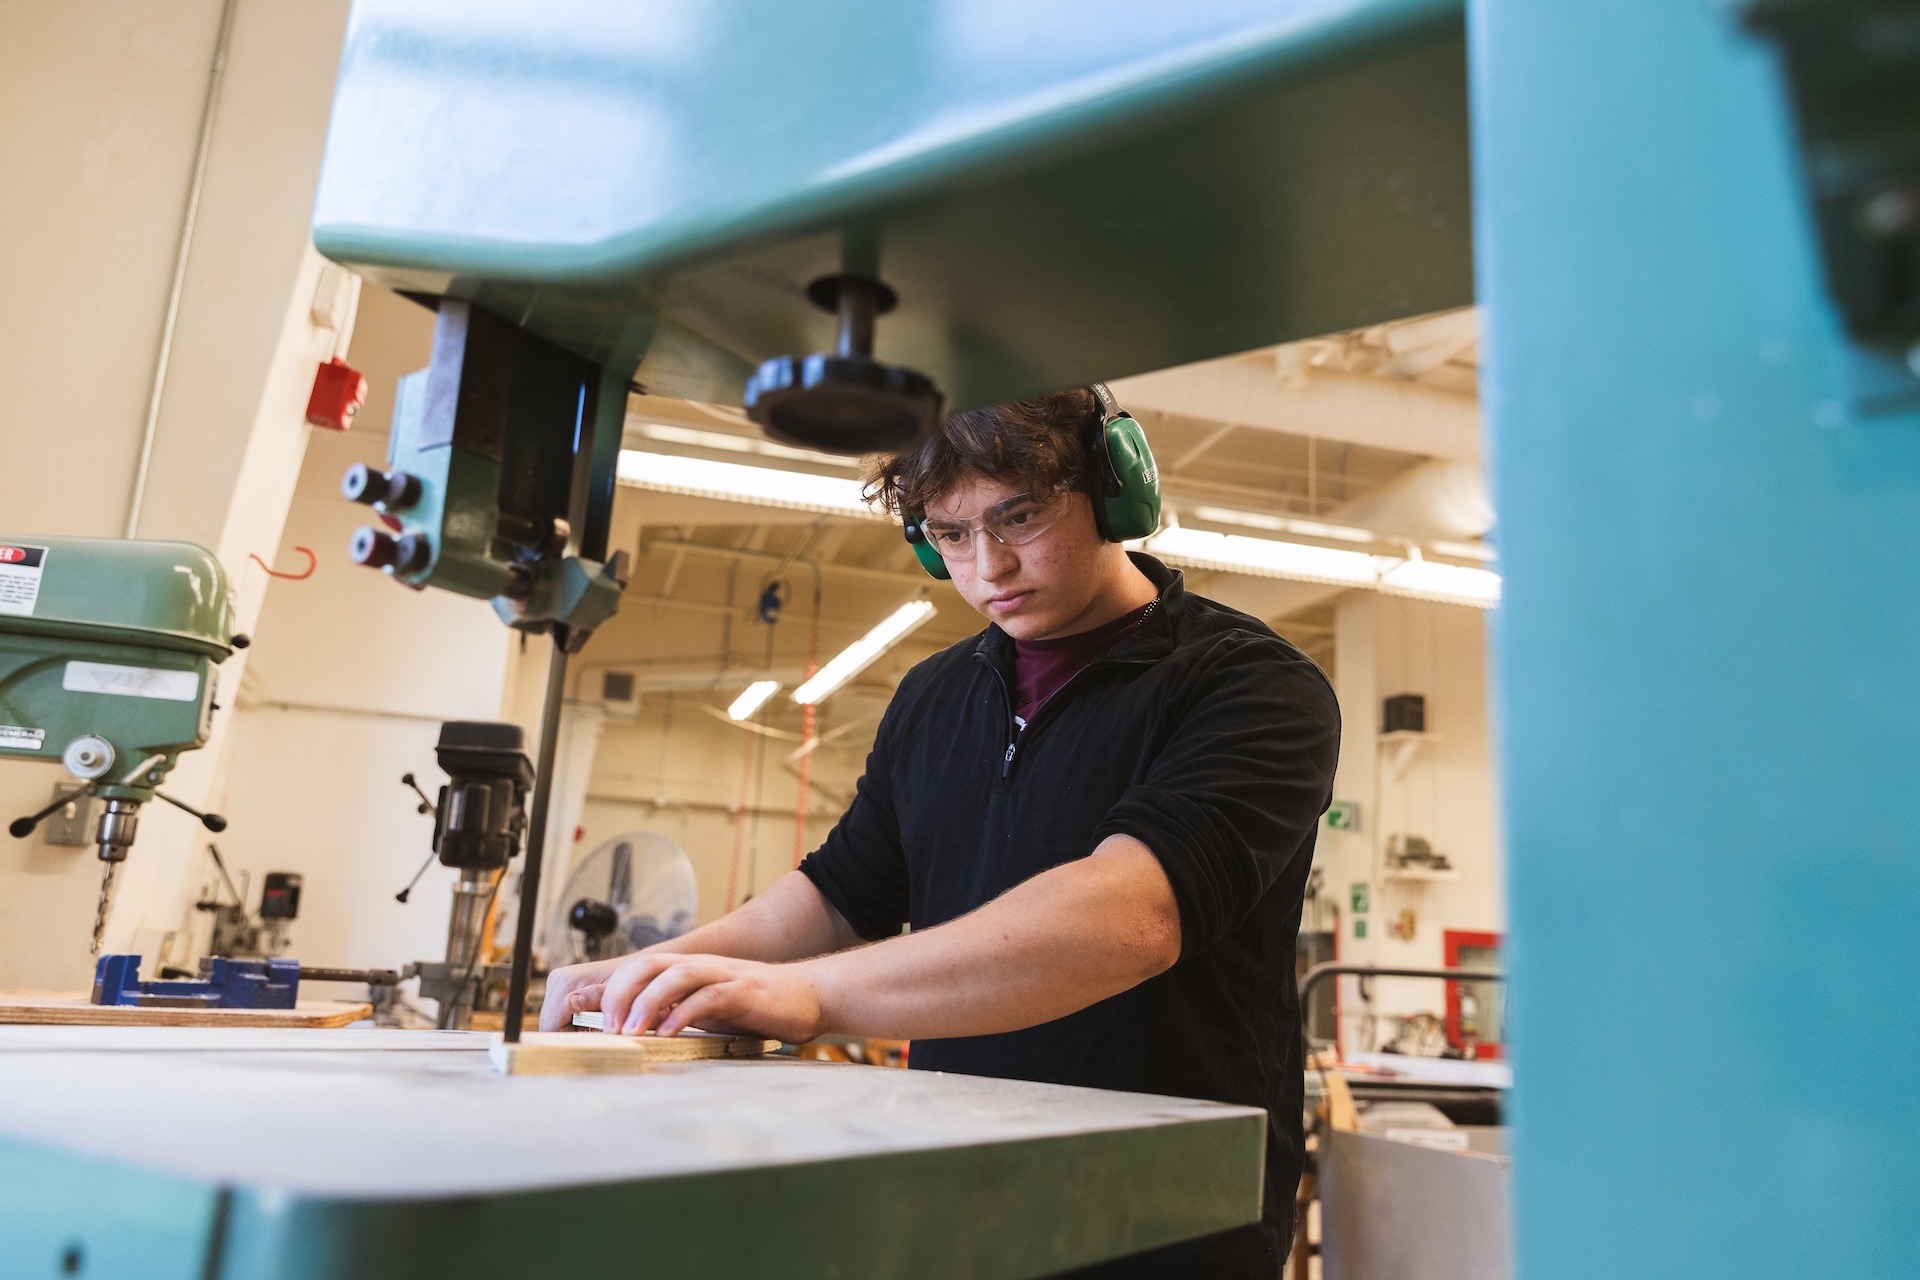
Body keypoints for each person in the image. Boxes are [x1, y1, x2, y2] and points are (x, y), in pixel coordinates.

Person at [543, 387, 1340, 1277]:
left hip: (1163, 1209)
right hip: (961, 1181)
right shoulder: (934, 695)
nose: (988, 566)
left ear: (1117, 493)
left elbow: (1130, 917)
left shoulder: (1252, 686)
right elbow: (837, 893)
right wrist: (658, 976)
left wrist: (813, 998)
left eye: (1020, 517)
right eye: (951, 535)